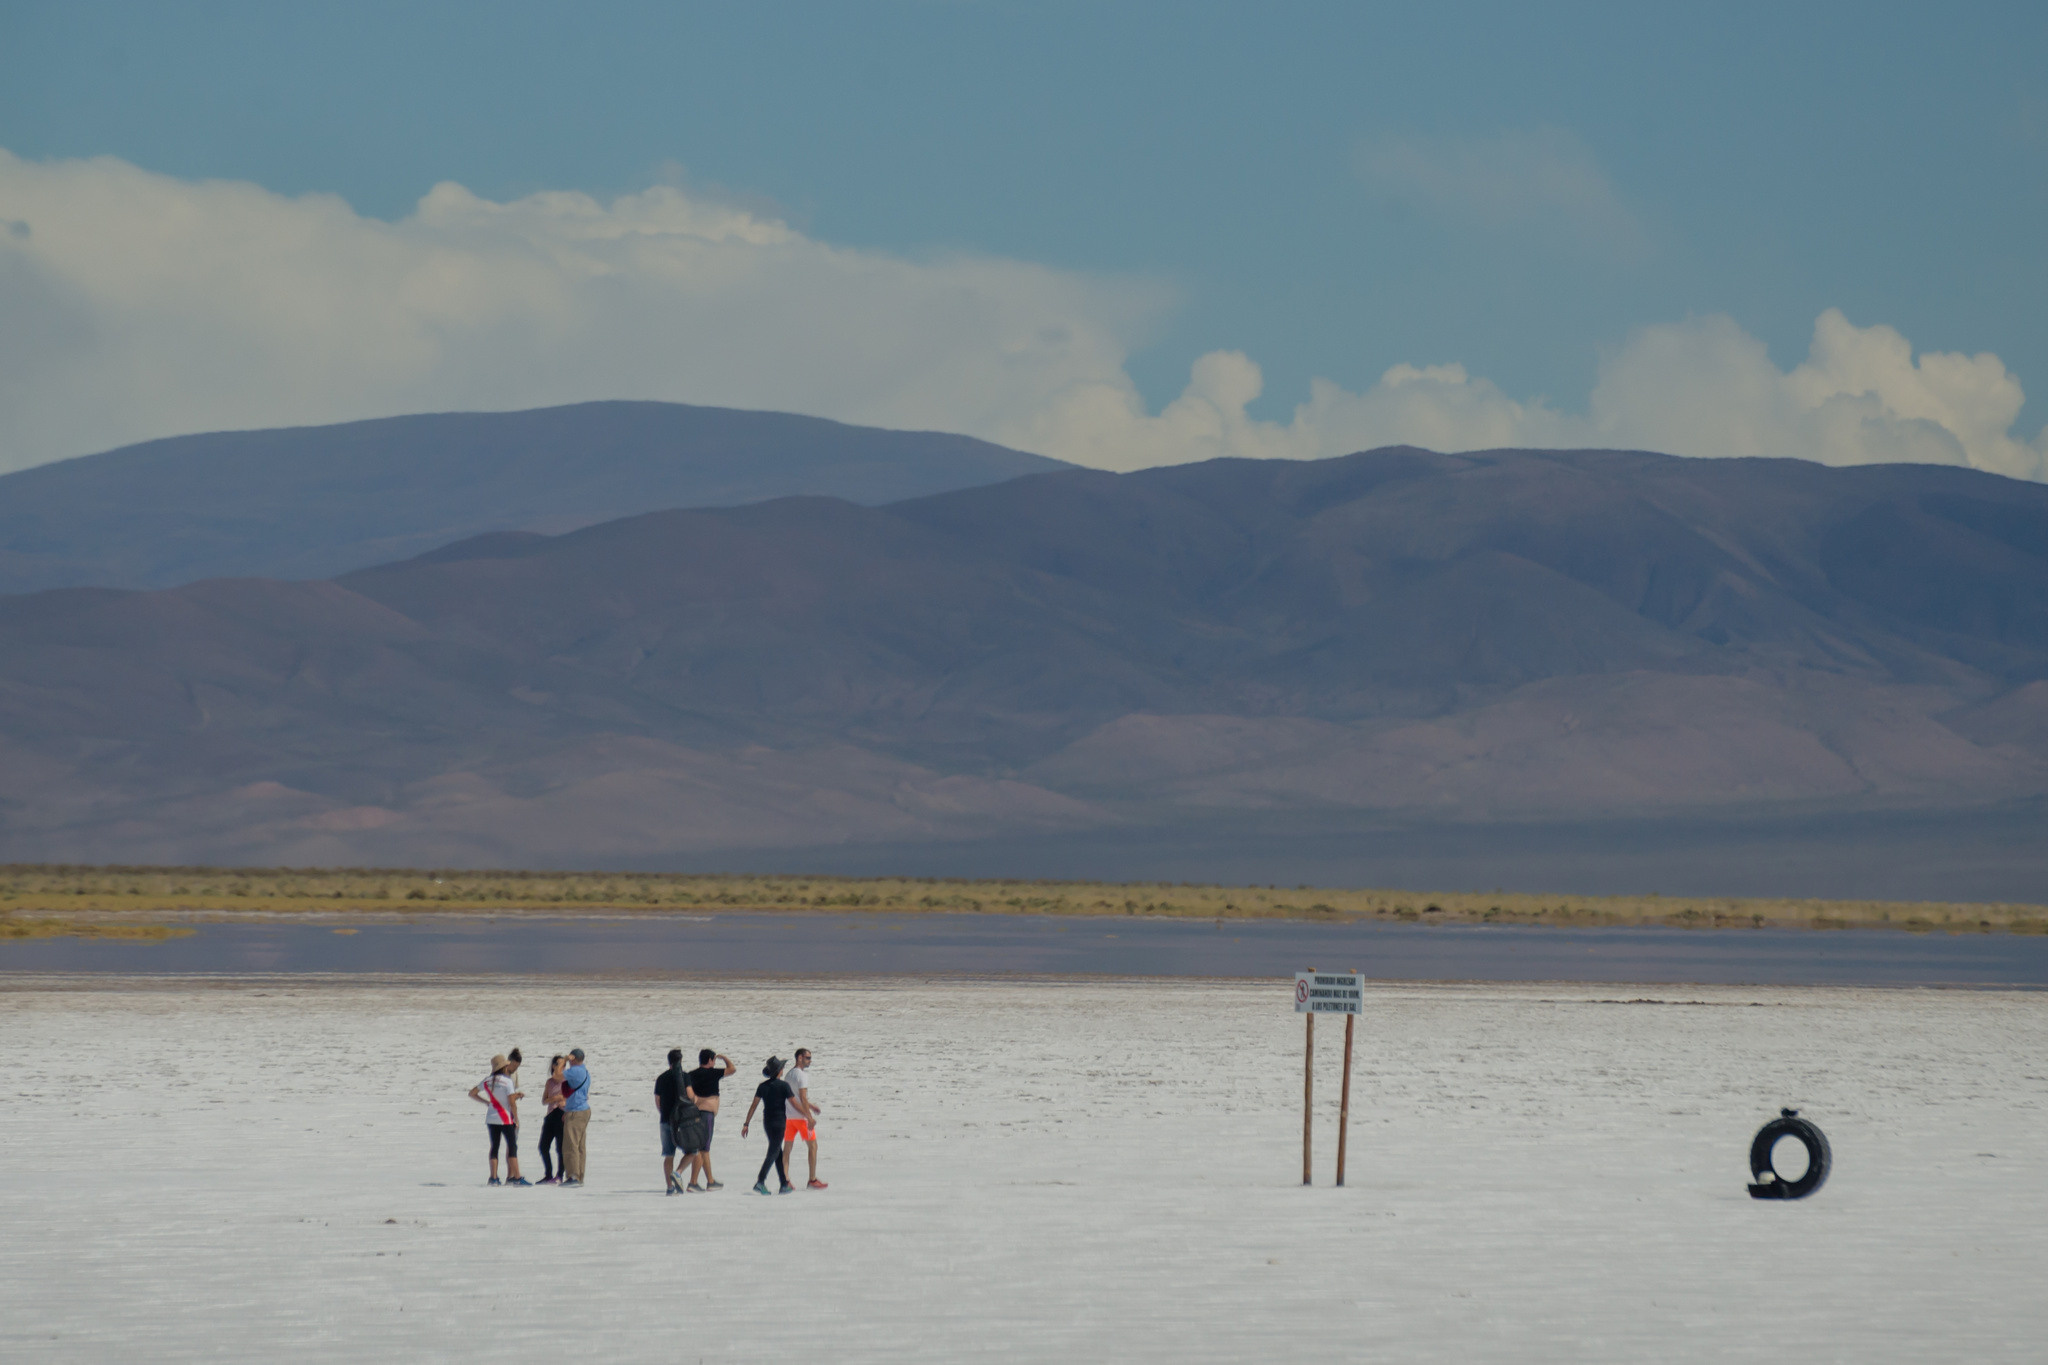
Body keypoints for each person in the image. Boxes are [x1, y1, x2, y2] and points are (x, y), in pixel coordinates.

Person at [468, 1054, 529, 1186]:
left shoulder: (487, 1080)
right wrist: (516, 1118)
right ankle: (517, 1177)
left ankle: (493, 1177)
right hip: (505, 1118)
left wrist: (486, 1102)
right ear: (504, 1067)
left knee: (494, 1147)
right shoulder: (507, 1082)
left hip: (491, 1118)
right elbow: (511, 1102)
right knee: (512, 1146)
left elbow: (472, 1093)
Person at [740, 1057, 796, 1195]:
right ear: (779, 1071)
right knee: (773, 1152)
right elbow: (794, 1104)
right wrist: (807, 1114)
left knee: (777, 1152)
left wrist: (746, 1123)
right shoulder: (784, 1086)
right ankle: (760, 1181)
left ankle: (783, 1184)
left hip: (768, 1123)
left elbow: (754, 1105)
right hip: (779, 1123)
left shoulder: (762, 1086)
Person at [684, 1049, 736, 1190]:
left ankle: (710, 1180)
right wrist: (724, 1057)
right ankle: (693, 1182)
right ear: (710, 1060)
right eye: (713, 1059)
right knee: (703, 1149)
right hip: (706, 1114)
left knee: (703, 1149)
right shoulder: (713, 1073)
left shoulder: (691, 1075)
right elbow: (732, 1069)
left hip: (693, 1113)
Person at [653, 1049, 702, 1196]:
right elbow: (690, 1096)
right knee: (693, 1150)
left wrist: (664, 1113)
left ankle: (670, 1188)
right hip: (682, 1121)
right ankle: (678, 1172)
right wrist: (696, 1101)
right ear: (680, 1061)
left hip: (665, 1120)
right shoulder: (684, 1076)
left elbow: (658, 1101)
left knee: (668, 1155)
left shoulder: (661, 1078)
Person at [782, 1047, 828, 1190]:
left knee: (787, 1149)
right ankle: (812, 1179)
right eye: (808, 1058)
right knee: (813, 1146)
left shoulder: (789, 1074)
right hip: (801, 1118)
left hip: (788, 1117)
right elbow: (801, 1097)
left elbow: (793, 1096)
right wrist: (810, 1117)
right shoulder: (802, 1076)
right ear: (800, 1058)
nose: (810, 1061)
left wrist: (812, 1106)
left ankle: (786, 1180)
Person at [560, 1047, 591, 1186]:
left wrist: (564, 1061)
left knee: (570, 1145)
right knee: (580, 1146)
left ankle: (573, 1176)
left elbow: (557, 1075)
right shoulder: (585, 1071)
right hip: (583, 1110)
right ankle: (579, 1175)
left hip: (576, 1111)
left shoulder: (575, 1071)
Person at [537, 1055, 568, 1184]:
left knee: (560, 1148)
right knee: (543, 1146)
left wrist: (562, 1100)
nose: (563, 1067)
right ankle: (548, 1174)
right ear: (554, 1065)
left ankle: (560, 1175)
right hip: (550, 1114)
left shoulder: (567, 1080)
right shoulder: (550, 1082)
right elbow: (544, 1100)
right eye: (560, 1064)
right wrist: (554, 1099)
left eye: (564, 1065)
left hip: (562, 1114)